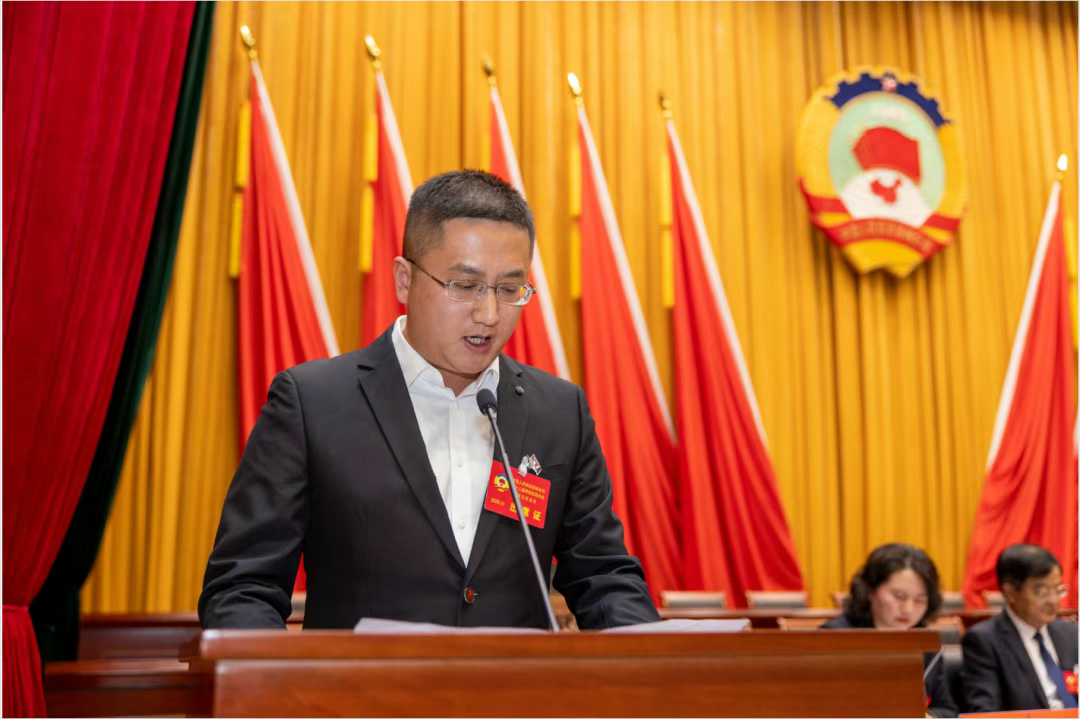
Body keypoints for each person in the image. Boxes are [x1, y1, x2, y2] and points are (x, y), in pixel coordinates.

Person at [198, 170, 660, 631]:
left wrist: (652, 653)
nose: (489, 314)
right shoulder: (312, 404)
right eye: (464, 285)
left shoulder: (559, 412)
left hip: (514, 680)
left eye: (509, 289)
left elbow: (605, 579)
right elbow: (242, 588)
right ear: (404, 280)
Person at [821, 542, 957, 718]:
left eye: (919, 600)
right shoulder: (835, 638)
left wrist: (928, 716)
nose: (908, 609)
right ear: (870, 590)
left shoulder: (925, 642)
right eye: (899, 596)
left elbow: (946, 709)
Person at [962, 544, 1078, 712]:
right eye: (1041, 592)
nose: (1053, 600)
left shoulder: (1071, 633)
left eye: (1057, 589)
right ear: (1010, 592)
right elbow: (984, 712)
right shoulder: (984, 642)